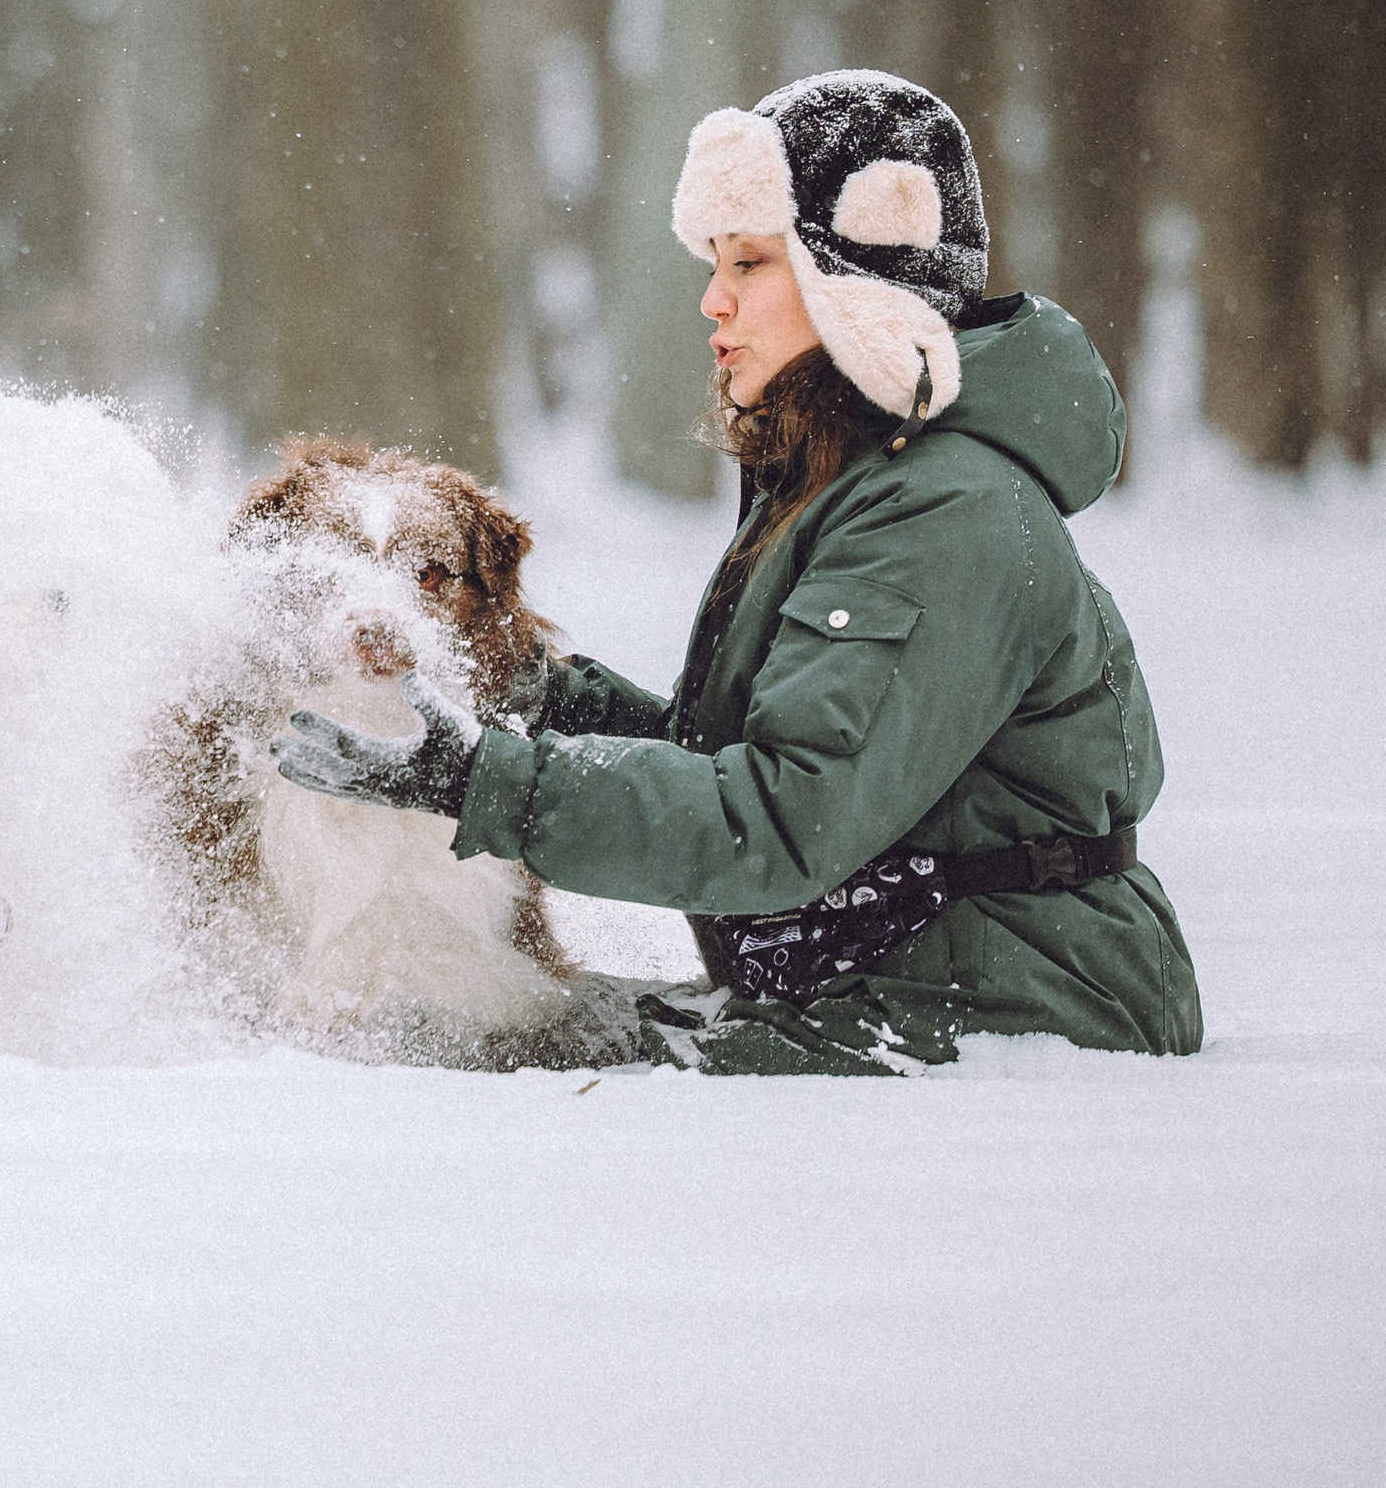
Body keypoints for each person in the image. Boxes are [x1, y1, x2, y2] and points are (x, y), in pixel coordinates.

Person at [272, 70, 1200, 1076]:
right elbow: (743, 756)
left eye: (750, 263)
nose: (713, 299)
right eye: (714, 262)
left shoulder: (944, 515)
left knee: (471, 1059)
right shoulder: (852, 481)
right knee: (470, 1023)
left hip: (1017, 1010)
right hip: (886, 980)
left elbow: (780, 815)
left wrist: (484, 780)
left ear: (859, 284)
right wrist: (542, 700)